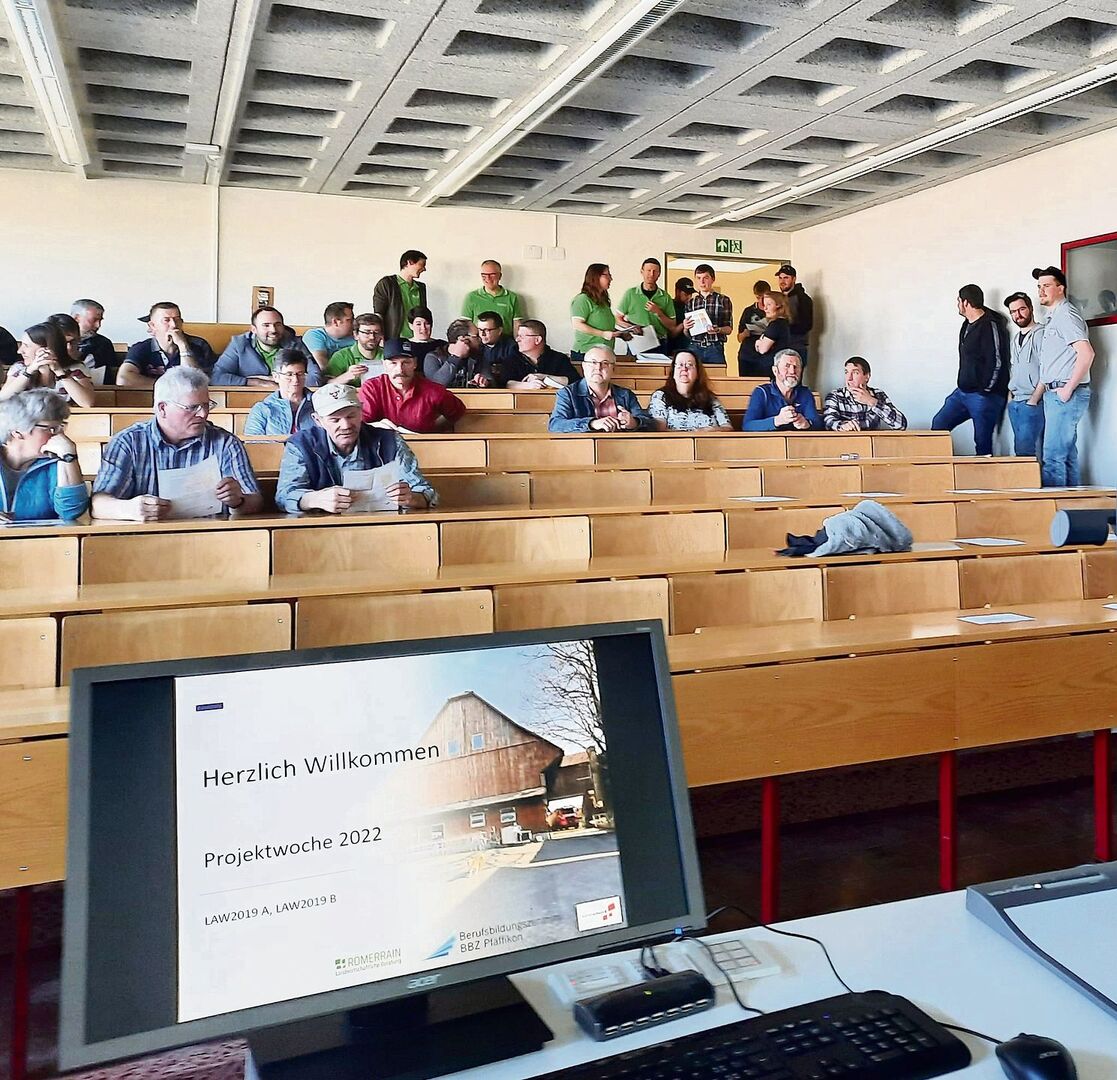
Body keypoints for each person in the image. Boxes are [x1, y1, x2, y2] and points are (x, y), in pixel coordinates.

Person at [91, 367, 262, 521]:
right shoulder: (128, 443)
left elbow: (255, 501)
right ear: (162, 408)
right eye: (192, 407)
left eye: (206, 405)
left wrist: (238, 501)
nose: (203, 414)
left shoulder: (225, 443)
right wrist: (128, 509)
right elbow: (98, 504)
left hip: (212, 537)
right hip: (145, 539)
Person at [276, 383, 436, 514]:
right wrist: (313, 499)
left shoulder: (389, 441)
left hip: (380, 527)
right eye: (335, 420)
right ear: (318, 420)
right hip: (320, 530)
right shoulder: (300, 445)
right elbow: (284, 496)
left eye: (351, 416)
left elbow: (426, 492)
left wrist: (411, 498)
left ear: (361, 412)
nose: (345, 425)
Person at [1033, 265, 1094, 487]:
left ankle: (1056, 505)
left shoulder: (1066, 315)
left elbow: (1087, 353)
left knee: (1053, 458)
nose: (1041, 290)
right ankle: (1071, 505)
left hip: (1066, 393)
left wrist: (1067, 389)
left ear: (1060, 288)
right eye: (1039, 286)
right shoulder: (1054, 316)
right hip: (1057, 394)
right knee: (1065, 456)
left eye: (1047, 285)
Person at [931, 284, 1009, 455]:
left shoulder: (990, 326)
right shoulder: (966, 324)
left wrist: (985, 391)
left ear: (966, 302)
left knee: (982, 444)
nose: (957, 305)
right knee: (938, 425)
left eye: (959, 301)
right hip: (963, 392)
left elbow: (997, 361)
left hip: (984, 396)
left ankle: (983, 472)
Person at [0, 389, 88, 521]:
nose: (59, 436)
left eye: (61, 428)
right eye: (51, 429)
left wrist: (69, 458)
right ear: (18, 432)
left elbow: (71, 511)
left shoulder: (57, 461)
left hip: (41, 535)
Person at [358, 340, 466, 433]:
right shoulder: (371, 388)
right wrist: (376, 426)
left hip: (423, 447)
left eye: (406, 363)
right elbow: (360, 424)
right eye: (393, 363)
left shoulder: (433, 391)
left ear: (415, 364)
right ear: (384, 365)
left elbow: (457, 412)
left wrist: (433, 430)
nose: (400, 370)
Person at [548, 346, 653, 433]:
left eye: (605, 363)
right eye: (593, 362)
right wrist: (592, 423)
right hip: (583, 448)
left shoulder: (626, 395)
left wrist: (634, 422)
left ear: (613, 369)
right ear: (584, 366)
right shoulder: (567, 394)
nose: (598, 368)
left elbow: (649, 423)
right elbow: (555, 425)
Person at [119, 302, 216, 388]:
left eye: (177, 320)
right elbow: (123, 379)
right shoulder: (141, 348)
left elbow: (197, 382)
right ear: (152, 326)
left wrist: (183, 347)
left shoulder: (199, 345)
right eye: (166, 320)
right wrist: (168, 387)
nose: (174, 325)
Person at [213, 306, 316, 386]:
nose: (273, 330)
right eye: (266, 325)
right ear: (254, 329)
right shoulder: (239, 344)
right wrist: (257, 382)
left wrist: (280, 380)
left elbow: (315, 378)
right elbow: (216, 377)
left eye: (278, 324)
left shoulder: (296, 344)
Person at [1, 322, 96, 407]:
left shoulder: (75, 369)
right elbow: (2, 399)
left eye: (26, 346)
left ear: (47, 349)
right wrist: (29, 371)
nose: (19, 351)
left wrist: (59, 372)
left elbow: (87, 403)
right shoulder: (19, 369)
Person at [1003, 291, 1045, 458]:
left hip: (1033, 402)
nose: (1018, 315)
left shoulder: (1041, 334)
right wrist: (1010, 396)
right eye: (1013, 312)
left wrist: (1034, 399)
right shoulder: (1015, 338)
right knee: (1020, 452)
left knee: (1025, 453)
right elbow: (1014, 368)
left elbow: (1047, 369)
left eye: (1021, 309)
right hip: (1015, 402)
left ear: (1031, 308)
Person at [649, 351, 732, 431]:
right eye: (680, 365)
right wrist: (694, 434)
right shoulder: (660, 396)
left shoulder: (710, 398)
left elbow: (727, 427)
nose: (684, 369)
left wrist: (712, 430)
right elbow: (659, 429)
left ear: (697, 373)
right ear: (673, 372)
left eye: (690, 365)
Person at [743, 349, 821, 431]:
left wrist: (807, 424)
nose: (792, 371)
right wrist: (777, 420)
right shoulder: (761, 392)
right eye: (787, 366)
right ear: (775, 371)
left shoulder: (805, 393)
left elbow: (818, 424)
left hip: (798, 439)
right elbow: (748, 426)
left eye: (796, 367)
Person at [243, 349, 317, 435]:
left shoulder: (318, 405)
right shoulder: (262, 409)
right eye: (289, 374)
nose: (295, 380)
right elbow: (253, 441)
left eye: (300, 374)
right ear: (276, 376)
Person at [823, 357, 907, 431]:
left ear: (867, 376)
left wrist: (871, 401)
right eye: (846, 372)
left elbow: (901, 425)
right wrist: (843, 426)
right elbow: (828, 422)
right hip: (845, 442)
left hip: (871, 442)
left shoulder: (878, 394)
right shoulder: (835, 395)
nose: (849, 378)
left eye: (855, 373)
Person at [614, 257, 678, 352]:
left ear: (659, 274)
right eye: (648, 270)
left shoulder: (665, 297)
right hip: (636, 341)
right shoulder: (631, 294)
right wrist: (631, 327)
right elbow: (617, 318)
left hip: (660, 343)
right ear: (642, 272)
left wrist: (659, 312)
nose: (651, 274)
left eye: (655, 271)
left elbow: (672, 325)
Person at [570, 263, 628, 363]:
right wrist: (603, 334)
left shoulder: (603, 301)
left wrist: (620, 334)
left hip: (604, 352)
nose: (611, 279)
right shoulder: (583, 299)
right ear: (596, 277)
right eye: (607, 275)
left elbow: (604, 326)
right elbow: (578, 324)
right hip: (587, 353)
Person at [373, 250, 428, 340]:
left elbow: (424, 315)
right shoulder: (386, 283)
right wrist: (380, 337)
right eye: (422, 264)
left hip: (416, 339)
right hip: (394, 340)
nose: (424, 269)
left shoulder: (421, 287)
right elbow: (379, 314)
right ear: (409, 262)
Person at [683, 263, 731, 365]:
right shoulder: (691, 302)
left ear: (713, 279)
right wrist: (686, 327)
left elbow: (729, 329)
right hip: (695, 346)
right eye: (699, 278)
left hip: (715, 347)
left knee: (717, 374)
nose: (702, 282)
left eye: (705, 278)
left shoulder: (723, 300)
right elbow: (687, 333)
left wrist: (718, 329)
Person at [506, 320, 578, 389]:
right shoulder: (512, 359)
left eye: (522, 336)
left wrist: (544, 377)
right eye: (518, 336)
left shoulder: (559, 359)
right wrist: (529, 386)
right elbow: (506, 383)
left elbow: (574, 381)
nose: (517, 340)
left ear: (537, 340)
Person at [461, 260, 525, 334]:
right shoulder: (471, 297)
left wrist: (518, 340)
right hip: (479, 340)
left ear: (500, 276)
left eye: (492, 275)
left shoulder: (512, 297)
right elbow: (466, 323)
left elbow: (517, 324)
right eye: (484, 275)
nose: (488, 278)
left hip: (505, 339)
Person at [322, 312, 385, 386]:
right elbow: (326, 384)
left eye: (377, 332)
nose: (372, 337)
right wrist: (347, 376)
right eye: (367, 333)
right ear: (356, 335)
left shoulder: (388, 355)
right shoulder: (341, 356)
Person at [738, 290, 791, 377]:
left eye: (769, 305)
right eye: (764, 305)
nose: (765, 308)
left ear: (778, 305)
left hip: (769, 368)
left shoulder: (776, 324)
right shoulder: (783, 323)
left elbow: (763, 349)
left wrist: (758, 342)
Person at [423, 318, 484, 388]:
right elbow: (436, 385)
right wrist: (456, 357)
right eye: (477, 336)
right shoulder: (433, 358)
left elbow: (490, 379)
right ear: (462, 339)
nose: (481, 339)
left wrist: (484, 381)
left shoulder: (478, 355)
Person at [775, 264, 814, 368]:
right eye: (780, 278)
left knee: (793, 376)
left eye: (786, 278)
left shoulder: (803, 299)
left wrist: (784, 328)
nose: (782, 281)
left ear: (794, 279)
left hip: (796, 346)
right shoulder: (778, 298)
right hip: (779, 346)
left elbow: (807, 325)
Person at [302, 302, 355, 370]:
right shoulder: (315, 335)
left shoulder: (358, 336)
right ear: (335, 322)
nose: (354, 323)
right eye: (349, 320)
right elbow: (324, 367)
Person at [474, 310, 519, 386]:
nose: (482, 334)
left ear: (499, 330)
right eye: (480, 330)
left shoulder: (512, 348)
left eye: (487, 330)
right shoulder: (475, 345)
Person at [70, 300, 116, 369]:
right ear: (76, 318)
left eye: (100, 320)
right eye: (94, 320)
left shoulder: (103, 344)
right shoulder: (57, 340)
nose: (98, 325)